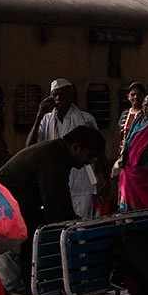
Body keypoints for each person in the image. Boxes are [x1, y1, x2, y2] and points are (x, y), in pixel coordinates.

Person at [28, 78, 100, 220]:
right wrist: (39, 115)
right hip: (56, 179)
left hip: (81, 180)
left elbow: (98, 149)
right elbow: (30, 146)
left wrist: (103, 176)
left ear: (71, 95)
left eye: (63, 94)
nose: (58, 98)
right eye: (54, 95)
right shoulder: (46, 120)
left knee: (83, 222)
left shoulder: (85, 119)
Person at [116, 93, 148, 211]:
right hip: (130, 167)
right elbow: (128, 141)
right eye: (146, 105)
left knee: (147, 203)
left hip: (147, 170)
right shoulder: (137, 121)